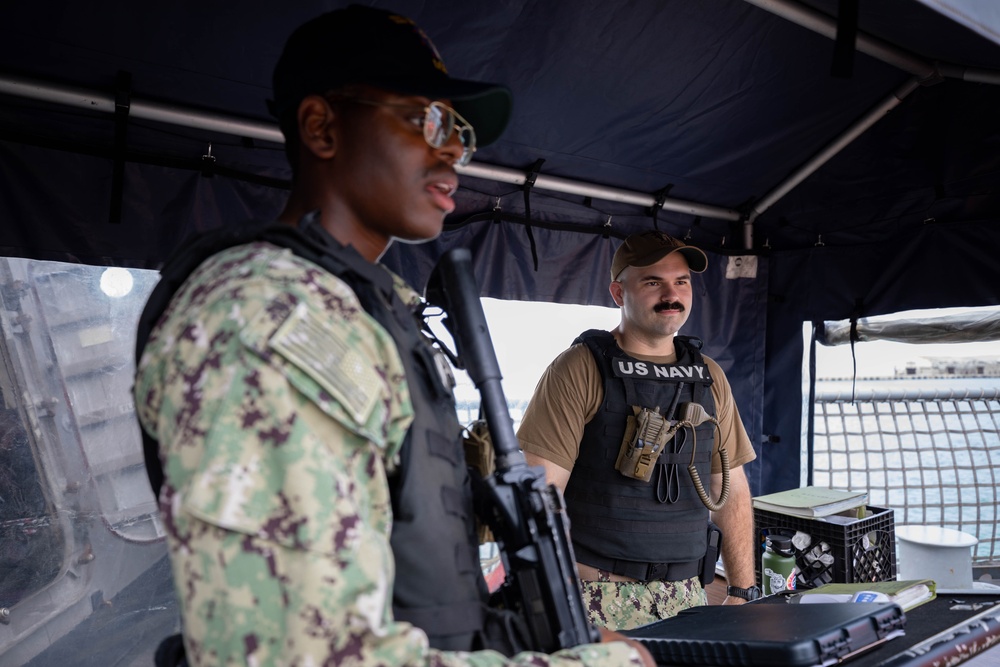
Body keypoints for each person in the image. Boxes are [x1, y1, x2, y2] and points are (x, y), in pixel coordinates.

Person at [134, 5, 652, 666]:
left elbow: (421, 586)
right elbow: (297, 653)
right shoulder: (269, 315)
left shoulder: (369, 312)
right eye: (424, 119)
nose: (453, 152)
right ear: (322, 126)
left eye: (458, 131)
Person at [517, 230, 759, 631]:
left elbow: (731, 489)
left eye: (681, 281)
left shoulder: (709, 376)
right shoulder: (580, 368)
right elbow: (541, 496)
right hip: (597, 598)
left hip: (687, 598)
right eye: (653, 282)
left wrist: (743, 591)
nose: (672, 294)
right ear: (618, 293)